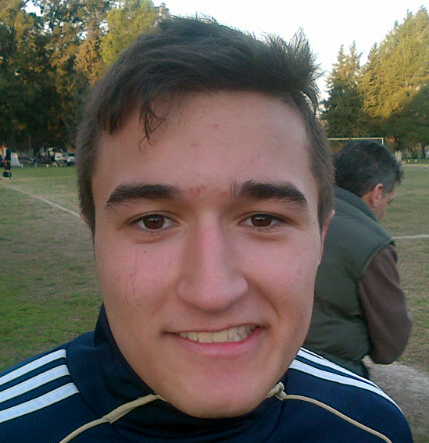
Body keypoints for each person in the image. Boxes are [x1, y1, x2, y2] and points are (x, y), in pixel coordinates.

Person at [0, 17, 412, 443]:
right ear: (96, 241)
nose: (212, 292)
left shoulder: (372, 427)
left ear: (320, 238)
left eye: (263, 219)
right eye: (153, 221)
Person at [305, 140, 413, 378]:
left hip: (269, 359)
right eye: (388, 201)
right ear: (377, 193)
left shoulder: (290, 210)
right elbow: (390, 344)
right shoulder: (372, 242)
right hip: (329, 373)